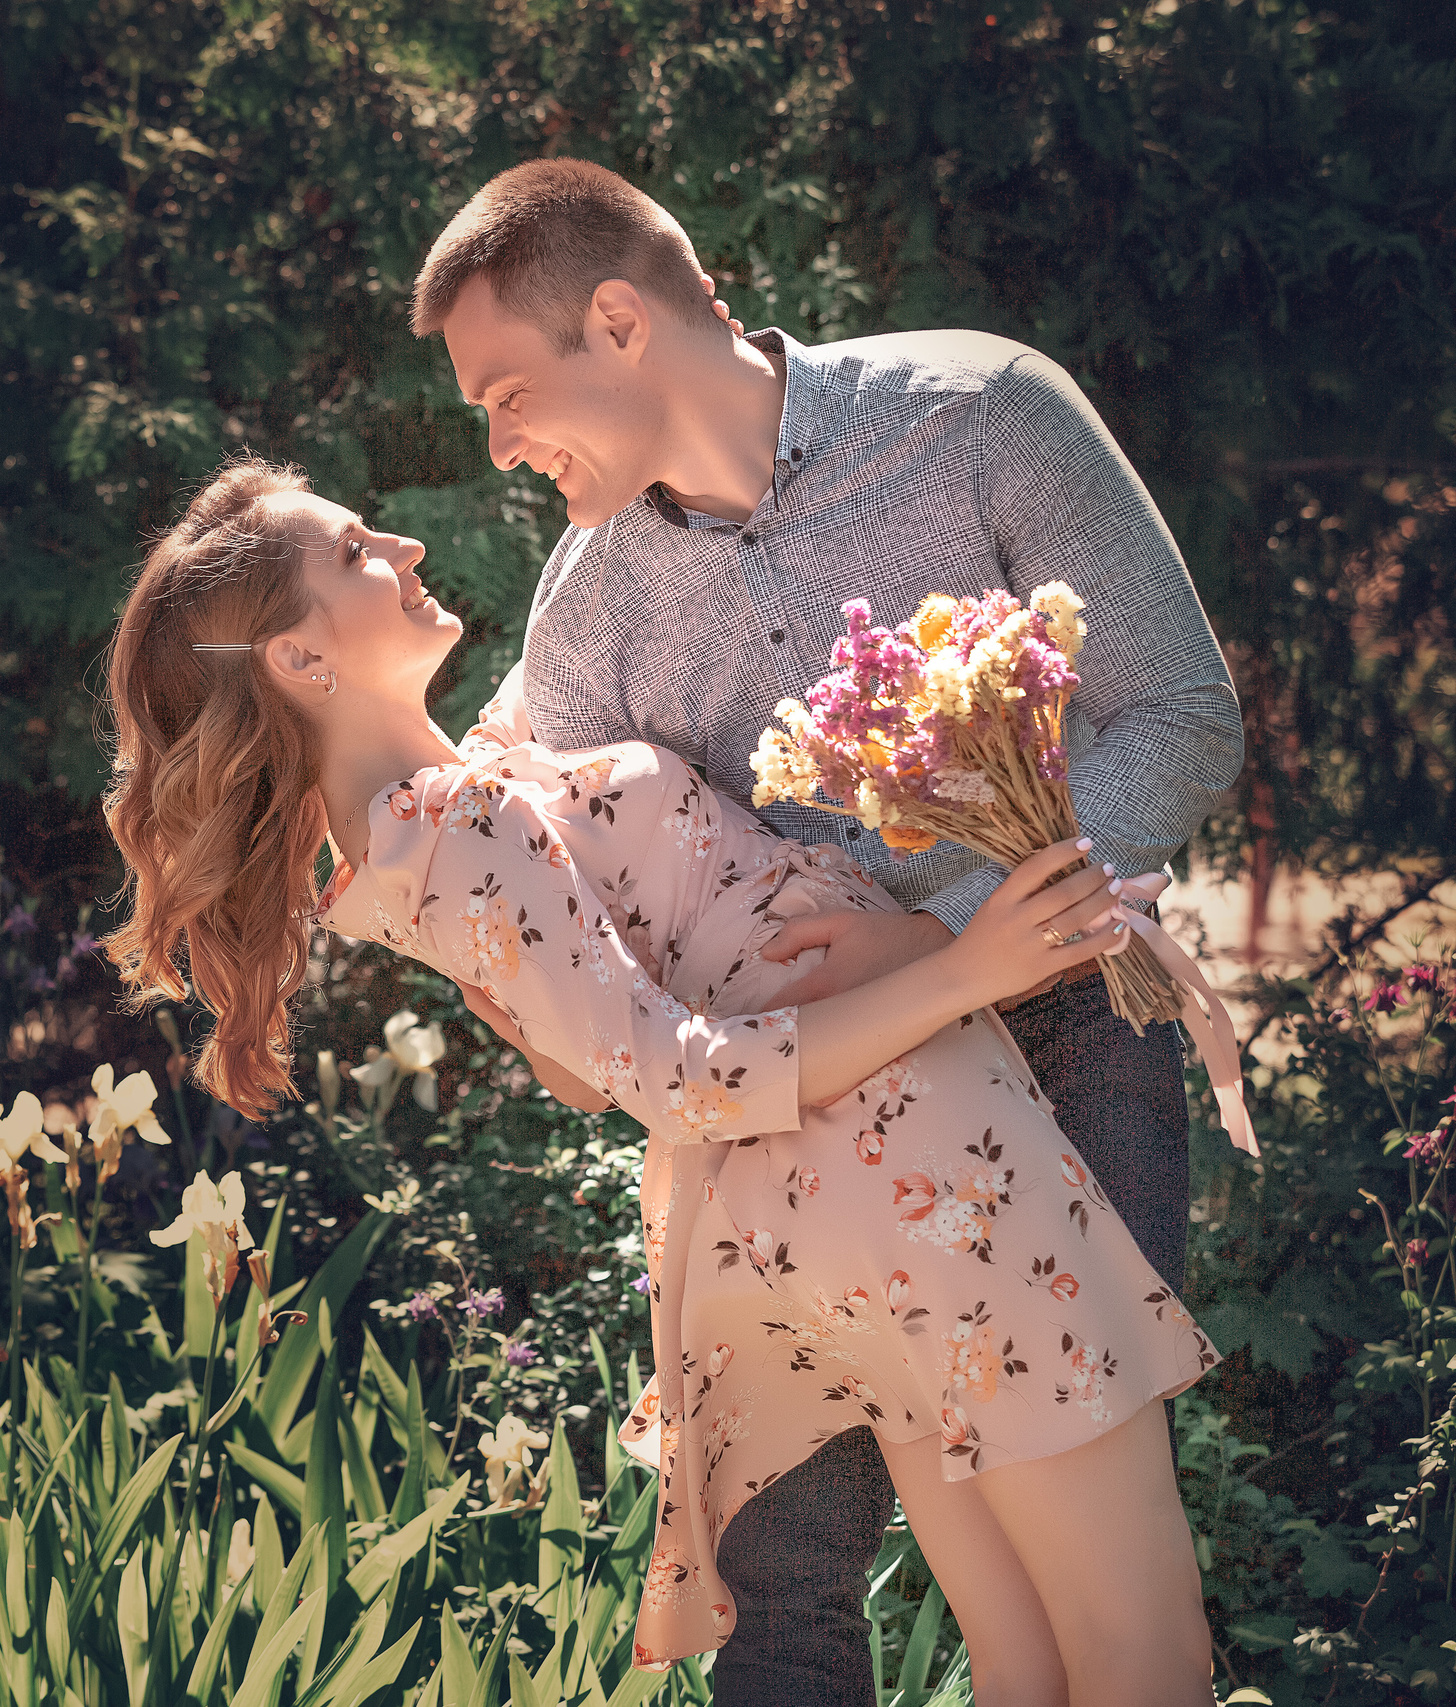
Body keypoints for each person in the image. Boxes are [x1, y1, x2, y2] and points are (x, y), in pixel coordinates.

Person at [100, 455, 1220, 1705]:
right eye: (358, 553)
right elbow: (673, 1083)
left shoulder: (424, 823)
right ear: (301, 664)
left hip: (857, 1208)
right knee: (1143, 1652)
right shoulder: (458, 834)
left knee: (1031, 1661)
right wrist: (971, 962)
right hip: (916, 1165)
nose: (406, 551)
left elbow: (590, 1075)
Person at [403, 158, 1245, 1704]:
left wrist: (951, 935)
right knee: (815, 1600)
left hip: (1069, 1031)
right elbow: (600, 920)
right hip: (812, 1126)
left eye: (509, 393)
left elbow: (1178, 715)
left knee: (1099, 1609)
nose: (502, 441)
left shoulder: (982, 412)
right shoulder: (586, 618)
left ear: (618, 317)